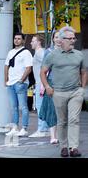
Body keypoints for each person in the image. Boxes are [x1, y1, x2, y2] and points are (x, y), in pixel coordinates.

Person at [40, 26, 87, 157]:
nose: (73, 41)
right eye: (70, 38)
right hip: (58, 93)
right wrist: (48, 87)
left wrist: (82, 89)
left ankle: (73, 148)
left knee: (74, 120)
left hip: (75, 92)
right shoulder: (52, 56)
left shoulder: (79, 55)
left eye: (74, 38)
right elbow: (43, 72)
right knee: (62, 121)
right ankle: (64, 146)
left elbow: (84, 72)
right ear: (61, 40)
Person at [4, 32, 33, 137]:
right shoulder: (10, 52)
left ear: (23, 40)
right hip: (11, 83)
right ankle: (15, 127)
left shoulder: (26, 53)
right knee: (14, 107)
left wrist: (21, 80)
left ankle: (24, 128)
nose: (16, 40)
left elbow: (28, 68)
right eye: (15, 38)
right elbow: (6, 66)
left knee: (23, 107)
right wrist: (6, 80)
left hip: (20, 83)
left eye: (19, 39)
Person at [38, 31, 59, 144]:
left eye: (60, 37)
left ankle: (60, 135)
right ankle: (53, 136)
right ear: (53, 39)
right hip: (51, 83)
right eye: (56, 37)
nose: (58, 39)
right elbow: (43, 70)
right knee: (52, 110)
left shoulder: (66, 52)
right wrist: (45, 86)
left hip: (64, 84)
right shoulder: (48, 52)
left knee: (62, 111)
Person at [29, 34, 49, 138]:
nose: (31, 43)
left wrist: (44, 82)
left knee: (40, 106)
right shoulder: (39, 52)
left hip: (41, 84)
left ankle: (42, 129)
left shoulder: (40, 52)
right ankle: (44, 128)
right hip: (41, 83)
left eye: (33, 41)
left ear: (38, 42)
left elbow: (48, 65)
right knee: (42, 106)